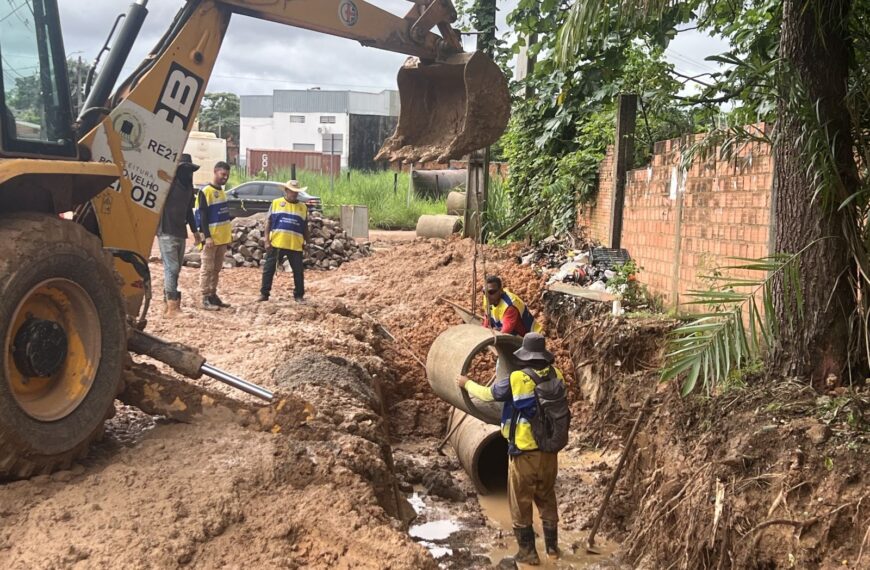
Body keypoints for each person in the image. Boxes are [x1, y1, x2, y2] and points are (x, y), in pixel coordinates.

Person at [456, 333, 565, 564]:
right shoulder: (558, 375)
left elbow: (489, 395)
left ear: (526, 357)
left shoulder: (517, 378)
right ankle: (553, 550)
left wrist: (467, 384)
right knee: (546, 497)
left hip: (524, 454)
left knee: (520, 502)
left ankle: (528, 553)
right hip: (550, 451)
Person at [157, 153, 200, 316]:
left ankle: (168, 305)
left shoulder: (189, 189)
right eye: (186, 170)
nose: (188, 174)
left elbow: (189, 212)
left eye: (190, 171)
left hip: (180, 232)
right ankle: (173, 307)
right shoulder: (168, 186)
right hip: (166, 231)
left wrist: (195, 232)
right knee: (172, 268)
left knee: (175, 269)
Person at [258, 179, 309, 303]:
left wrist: (307, 243)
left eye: (296, 192)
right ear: (286, 191)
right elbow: (268, 222)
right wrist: (266, 240)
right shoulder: (276, 203)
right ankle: (264, 294)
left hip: (295, 245)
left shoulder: (303, 207)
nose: (294, 194)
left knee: (298, 272)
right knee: (269, 269)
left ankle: (299, 295)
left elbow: (305, 226)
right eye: (292, 191)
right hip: (277, 243)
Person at [195, 161, 232, 310]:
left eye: (227, 175)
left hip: (222, 238)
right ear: (215, 171)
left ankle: (212, 294)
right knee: (207, 268)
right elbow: (202, 216)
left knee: (216, 269)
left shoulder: (222, 192)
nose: (225, 178)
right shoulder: (205, 192)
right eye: (223, 174)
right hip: (211, 239)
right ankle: (204, 296)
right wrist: (207, 236)